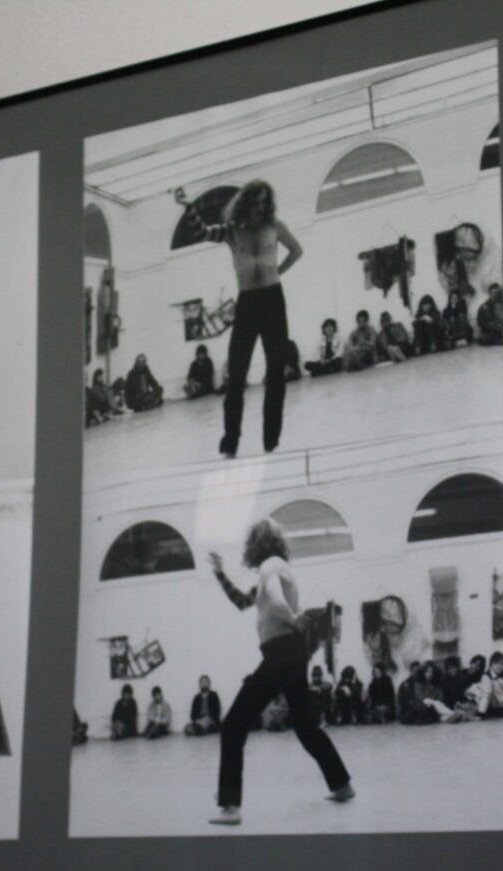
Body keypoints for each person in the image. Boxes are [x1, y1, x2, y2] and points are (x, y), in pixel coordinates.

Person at [207, 520, 352, 825]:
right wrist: (220, 574)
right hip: (292, 654)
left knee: (233, 725)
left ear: (256, 544)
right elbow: (242, 602)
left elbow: (275, 599)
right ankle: (342, 785)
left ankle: (230, 807)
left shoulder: (269, 566)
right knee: (306, 726)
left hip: (281, 654)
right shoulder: (275, 569)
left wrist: (292, 617)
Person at [190, 180, 303, 457]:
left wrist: (277, 271)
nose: (260, 207)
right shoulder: (232, 230)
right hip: (248, 302)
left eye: (265, 202)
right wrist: (188, 208)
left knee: (275, 372)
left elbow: (297, 250)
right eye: (256, 201)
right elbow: (202, 233)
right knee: (237, 372)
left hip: (273, 299)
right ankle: (230, 441)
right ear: (246, 202)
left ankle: (270, 440)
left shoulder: (275, 226)